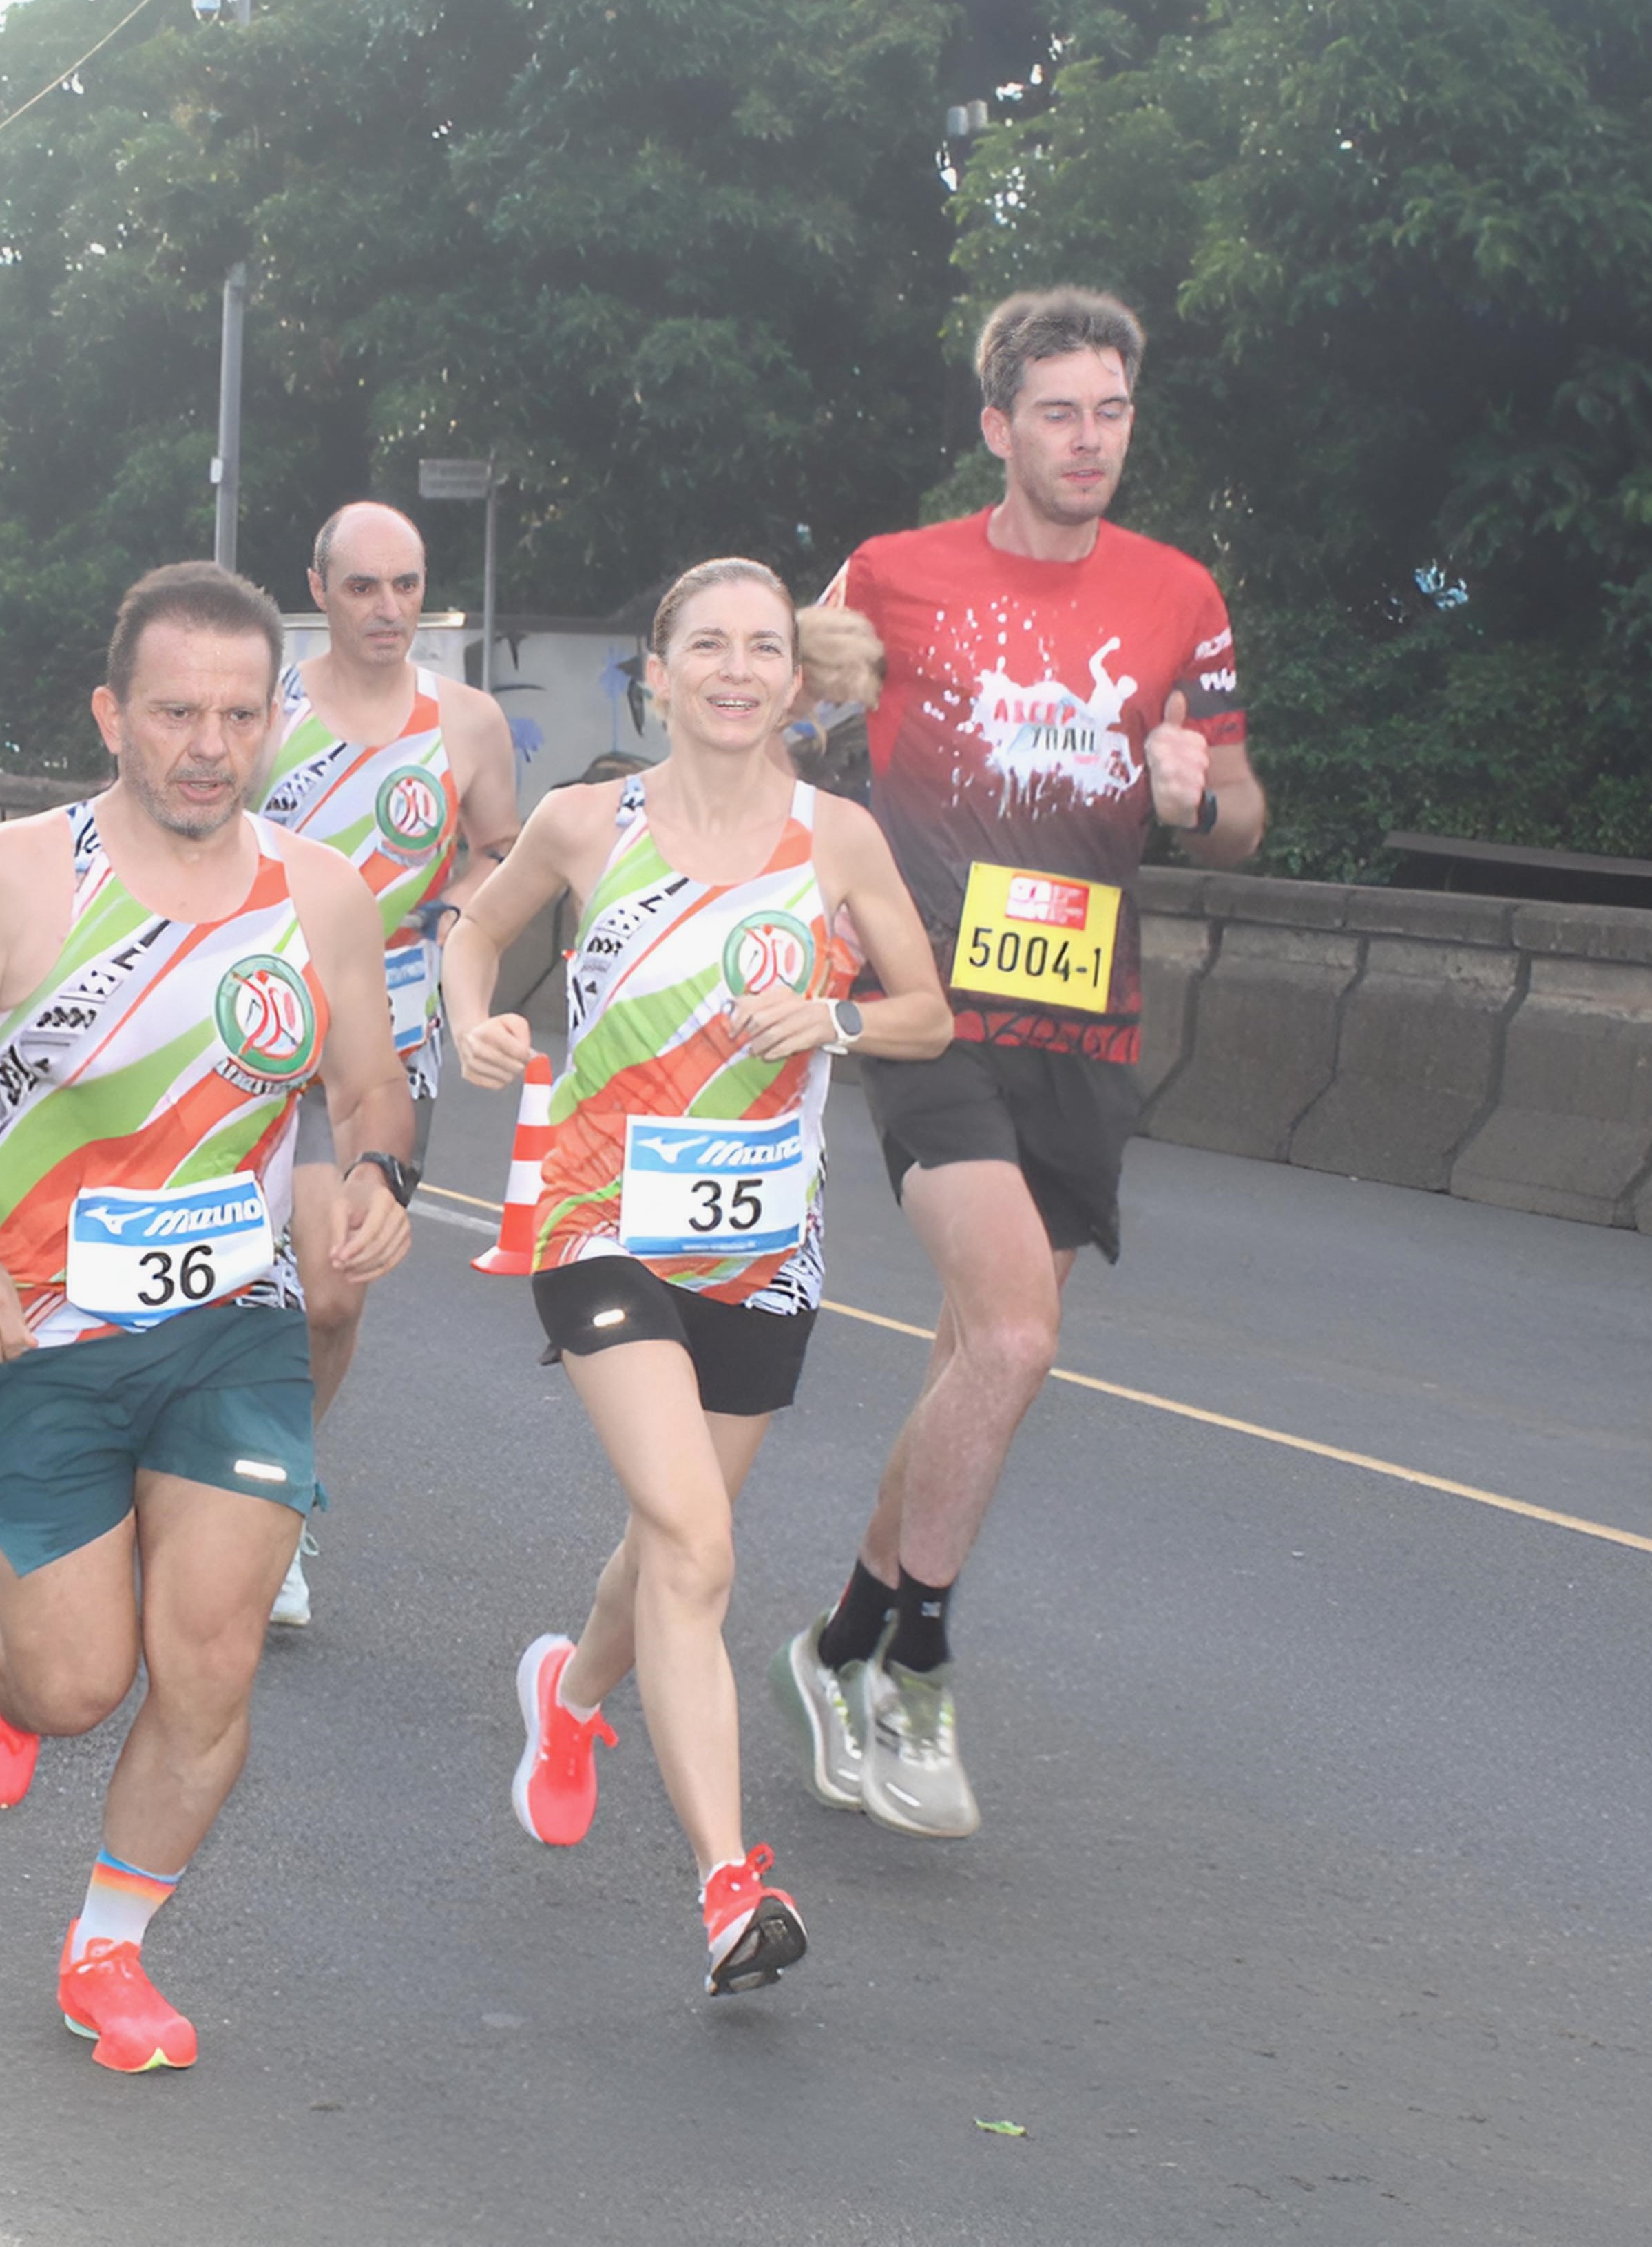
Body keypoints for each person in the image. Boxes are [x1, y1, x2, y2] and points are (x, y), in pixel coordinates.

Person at [0, 561, 414, 2073]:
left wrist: (377, 1166)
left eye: (237, 714)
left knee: (214, 1652)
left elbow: (370, 1077)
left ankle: (110, 1946)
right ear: (112, 712)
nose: (205, 743)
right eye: (174, 710)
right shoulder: (22, 877)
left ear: (271, 724)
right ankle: (2, 1660)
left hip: (233, 1322)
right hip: (42, 1330)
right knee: (77, 1681)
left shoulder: (319, 894)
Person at [774, 288, 1268, 1841]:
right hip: (921, 1005)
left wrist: (1199, 796)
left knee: (970, 1362)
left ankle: (835, 1640)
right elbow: (761, 727)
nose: (1085, 438)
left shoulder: (1178, 594)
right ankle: (917, 1655)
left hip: (1080, 1018)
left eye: (1108, 410)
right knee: (1011, 1332)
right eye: (1054, 411)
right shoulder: (893, 572)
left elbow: (1244, 813)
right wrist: (806, 692)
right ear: (996, 426)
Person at [444, 558, 951, 1994]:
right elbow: (471, 931)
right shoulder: (581, 820)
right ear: (653, 672)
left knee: (675, 1543)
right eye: (704, 645)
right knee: (700, 1546)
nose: (734, 670)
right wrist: (475, 1020)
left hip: (757, 1240)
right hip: (596, 1217)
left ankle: (571, 1686)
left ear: (794, 679)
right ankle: (730, 1883)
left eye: (762, 649)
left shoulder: (835, 839)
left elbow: (924, 1012)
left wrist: (830, 1016)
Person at [251, 499, 522, 1627]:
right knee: (217, 1280)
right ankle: (202, 1483)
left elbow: (499, 847)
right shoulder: (261, 716)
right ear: (317, 589)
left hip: (390, 1046)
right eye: (363, 586)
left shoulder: (464, 722)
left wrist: (458, 905)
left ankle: (279, 1505)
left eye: (407, 585)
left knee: (329, 1296)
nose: (388, 608)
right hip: (251, 1043)